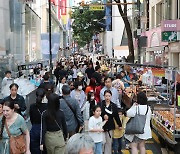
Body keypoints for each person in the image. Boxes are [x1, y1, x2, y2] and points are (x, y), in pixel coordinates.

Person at [100, 90, 122, 154]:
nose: (107, 97)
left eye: (109, 96)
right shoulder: (101, 104)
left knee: (108, 143)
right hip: (101, 126)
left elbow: (116, 116)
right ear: (104, 96)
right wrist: (103, 116)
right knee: (101, 142)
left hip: (110, 126)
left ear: (111, 96)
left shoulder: (114, 106)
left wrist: (119, 125)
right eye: (106, 96)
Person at [30, 88, 47, 154]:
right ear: (44, 96)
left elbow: (31, 119)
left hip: (34, 128)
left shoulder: (32, 106)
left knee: (34, 148)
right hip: (44, 128)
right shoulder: (46, 106)